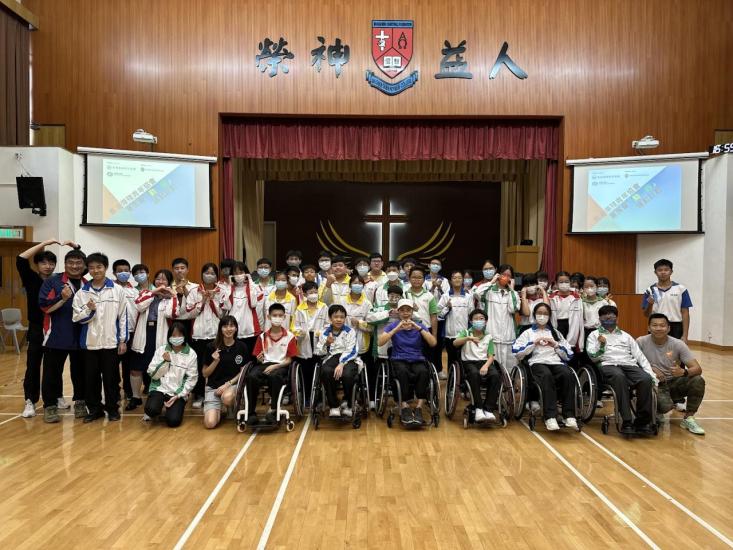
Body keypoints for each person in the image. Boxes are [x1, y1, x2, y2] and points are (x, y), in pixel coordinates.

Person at [16, 238, 74, 418]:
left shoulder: (59, 280)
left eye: (51, 263)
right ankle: (30, 401)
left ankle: (57, 396)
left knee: (54, 366)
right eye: (43, 263)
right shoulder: (31, 278)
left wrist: (74, 246)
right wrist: (44, 244)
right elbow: (20, 259)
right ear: (37, 265)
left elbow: (83, 267)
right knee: (33, 365)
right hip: (36, 328)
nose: (48, 266)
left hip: (55, 328)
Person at [72, 252, 129, 422]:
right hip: (89, 344)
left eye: (99, 267)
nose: (95, 270)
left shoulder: (117, 290)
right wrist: (89, 310)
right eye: (91, 267)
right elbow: (76, 318)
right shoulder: (82, 293)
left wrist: (123, 341)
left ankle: (112, 409)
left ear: (105, 268)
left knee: (111, 379)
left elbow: (123, 317)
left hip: (111, 343)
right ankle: (95, 409)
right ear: (87, 269)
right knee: (91, 379)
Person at [586, 305, 657, 435]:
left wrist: (651, 374)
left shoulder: (626, 336)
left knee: (645, 379)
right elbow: (593, 357)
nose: (609, 318)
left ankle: (642, 422)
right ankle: (627, 420)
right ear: (600, 319)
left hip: (628, 364)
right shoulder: (594, 335)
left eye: (612, 316)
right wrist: (602, 345)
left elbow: (639, 356)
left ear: (617, 319)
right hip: (608, 365)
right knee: (619, 377)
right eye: (605, 316)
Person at [39, 248, 88, 423]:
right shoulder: (53, 282)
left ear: (84, 265)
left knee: (80, 372)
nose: (74, 266)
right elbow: (45, 307)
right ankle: (50, 406)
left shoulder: (87, 284)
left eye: (78, 263)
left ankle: (80, 402)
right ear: (65, 264)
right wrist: (62, 298)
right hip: (57, 335)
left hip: (81, 336)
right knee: (52, 373)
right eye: (71, 263)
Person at [512, 303, 578, 430]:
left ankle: (569, 415)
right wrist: (533, 343)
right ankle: (550, 417)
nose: (542, 316)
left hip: (555, 362)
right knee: (546, 376)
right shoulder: (528, 333)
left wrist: (555, 345)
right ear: (534, 315)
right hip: (537, 362)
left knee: (568, 374)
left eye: (545, 314)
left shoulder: (556, 333)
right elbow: (517, 352)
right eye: (539, 313)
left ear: (549, 316)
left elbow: (569, 355)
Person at [637, 313, 705, 435]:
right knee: (664, 407)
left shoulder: (678, 344)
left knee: (698, 380)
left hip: (673, 382)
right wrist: (651, 369)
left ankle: (688, 418)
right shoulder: (640, 342)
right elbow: (631, 365)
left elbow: (697, 369)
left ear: (668, 328)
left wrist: (684, 372)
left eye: (662, 325)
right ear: (649, 328)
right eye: (655, 325)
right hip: (653, 384)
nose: (658, 328)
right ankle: (656, 410)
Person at [378, 299, 437, 425]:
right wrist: (396, 329)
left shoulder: (419, 325)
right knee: (401, 372)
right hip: (399, 358)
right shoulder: (393, 325)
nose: (405, 313)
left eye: (408, 310)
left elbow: (433, 343)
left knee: (423, 372)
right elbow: (380, 342)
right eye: (402, 310)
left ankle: (419, 407)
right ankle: (404, 406)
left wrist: (419, 328)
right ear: (398, 312)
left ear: (412, 312)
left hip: (417, 358)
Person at [128, 269, 179, 410]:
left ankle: (158, 396)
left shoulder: (170, 297)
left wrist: (173, 296)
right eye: (158, 279)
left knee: (160, 368)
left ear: (169, 282)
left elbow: (173, 313)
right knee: (136, 368)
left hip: (160, 333)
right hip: (143, 333)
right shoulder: (146, 293)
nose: (161, 281)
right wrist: (153, 293)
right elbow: (139, 306)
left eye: (164, 279)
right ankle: (136, 397)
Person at [186, 262, 231, 409]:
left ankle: (217, 393)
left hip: (215, 335)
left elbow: (223, 314)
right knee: (200, 365)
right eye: (206, 273)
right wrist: (203, 300)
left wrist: (212, 300)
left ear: (216, 276)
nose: (209, 276)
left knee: (217, 364)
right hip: (198, 335)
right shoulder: (194, 291)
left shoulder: (221, 291)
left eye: (212, 273)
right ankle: (199, 394)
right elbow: (190, 313)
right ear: (202, 274)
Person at [246, 303, 298, 426]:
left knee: (274, 376)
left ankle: (273, 410)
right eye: (274, 315)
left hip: (281, 365)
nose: (277, 318)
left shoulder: (290, 337)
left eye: (280, 315)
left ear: (284, 317)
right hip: (264, 364)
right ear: (269, 317)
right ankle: (251, 412)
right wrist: (259, 359)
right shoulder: (262, 336)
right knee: (251, 377)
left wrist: (275, 366)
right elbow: (258, 358)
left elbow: (289, 360)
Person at [144, 322, 198, 427]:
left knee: (173, 421)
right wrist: (165, 362)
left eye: (179, 335)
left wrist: (178, 395)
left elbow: (192, 379)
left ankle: (172, 409)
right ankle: (157, 407)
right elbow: (152, 373)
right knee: (151, 409)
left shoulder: (191, 354)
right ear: (169, 337)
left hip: (177, 393)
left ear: (185, 336)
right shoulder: (161, 350)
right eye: (173, 335)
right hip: (160, 389)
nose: (176, 338)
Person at [452, 309, 502, 423]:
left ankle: (488, 409)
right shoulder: (466, 332)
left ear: (486, 321)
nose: (478, 321)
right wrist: (468, 338)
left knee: (495, 375)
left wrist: (486, 366)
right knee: (474, 374)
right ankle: (478, 408)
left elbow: (491, 356)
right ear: (471, 321)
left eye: (481, 319)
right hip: (469, 362)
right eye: (475, 319)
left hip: (484, 362)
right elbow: (455, 343)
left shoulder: (488, 336)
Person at [315, 304, 361, 417]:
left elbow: (352, 350)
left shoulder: (350, 331)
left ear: (345, 318)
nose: (339, 319)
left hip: (349, 358)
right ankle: (334, 406)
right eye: (336, 317)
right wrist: (327, 343)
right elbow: (318, 352)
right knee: (326, 372)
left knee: (347, 375)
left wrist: (341, 363)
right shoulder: (324, 332)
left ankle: (349, 404)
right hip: (332, 357)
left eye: (342, 317)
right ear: (330, 318)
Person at [202, 316, 247, 429]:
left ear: (236, 328)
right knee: (210, 424)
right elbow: (205, 374)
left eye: (231, 326)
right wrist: (215, 361)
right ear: (220, 329)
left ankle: (229, 405)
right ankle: (220, 409)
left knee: (227, 398)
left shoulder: (242, 347)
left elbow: (243, 372)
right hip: (213, 388)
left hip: (232, 386)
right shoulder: (211, 347)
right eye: (225, 326)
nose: (228, 329)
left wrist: (228, 384)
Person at [473, 264, 520, 371]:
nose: (505, 277)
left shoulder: (513, 293)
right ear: (498, 274)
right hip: (492, 335)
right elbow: (477, 293)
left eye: (508, 275)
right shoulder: (489, 291)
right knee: (493, 368)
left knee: (509, 368)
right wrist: (492, 281)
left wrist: (512, 290)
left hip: (508, 336)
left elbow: (513, 308)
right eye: (503, 274)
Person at [366, 285, 403, 406]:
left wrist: (401, 314)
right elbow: (369, 319)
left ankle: (399, 400)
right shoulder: (380, 308)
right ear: (387, 296)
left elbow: (417, 319)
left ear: (401, 297)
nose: (394, 298)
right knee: (375, 374)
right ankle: (373, 399)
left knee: (397, 374)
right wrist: (388, 313)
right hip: (381, 348)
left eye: (397, 296)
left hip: (398, 348)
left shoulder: (404, 309)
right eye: (391, 295)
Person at [292, 281, 329, 403]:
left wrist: (321, 333)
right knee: (306, 372)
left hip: (319, 340)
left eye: (315, 292)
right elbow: (294, 327)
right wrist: (300, 333)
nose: (314, 294)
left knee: (318, 370)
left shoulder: (324, 307)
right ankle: (307, 397)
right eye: (310, 292)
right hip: (304, 341)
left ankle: (318, 398)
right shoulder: (299, 309)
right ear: (304, 294)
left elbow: (328, 325)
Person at [642, 259, 692, 343]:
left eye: (666, 270)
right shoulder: (650, 290)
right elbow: (646, 314)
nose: (663, 272)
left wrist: (685, 335)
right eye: (660, 270)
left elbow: (685, 313)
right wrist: (650, 304)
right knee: (656, 349)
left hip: (676, 327)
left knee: (674, 351)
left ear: (671, 272)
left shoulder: (681, 289)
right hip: (657, 326)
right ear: (655, 272)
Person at [403, 266, 440, 372]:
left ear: (424, 279)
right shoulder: (405, 294)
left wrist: (434, 335)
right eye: (414, 277)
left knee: (426, 358)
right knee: (410, 360)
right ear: (409, 278)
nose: (416, 280)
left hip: (425, 330)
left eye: (419, 277)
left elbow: (433, 316)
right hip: (408, 331)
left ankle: (427, 379)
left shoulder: (429, 296)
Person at [112, 258, 139, 403]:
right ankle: (115, 391)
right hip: (115, 333)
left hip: (132, 332)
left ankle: (128, 390)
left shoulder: (134, 291)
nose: (123, 273)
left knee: (129, 364)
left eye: (126, 271)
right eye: (120, 271)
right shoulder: (111, 289)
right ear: (114, 273)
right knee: (113, 364)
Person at [438, 270, 474, 368]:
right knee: (451, 361)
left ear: (462, 280)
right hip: (450, 335)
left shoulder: (468, 297)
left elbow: (472, 316)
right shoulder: (445, 296)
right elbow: (439, 315)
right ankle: (451, 377)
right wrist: (447, 308)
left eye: (459, 278)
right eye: (454, 278)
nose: (457, 280)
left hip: (464, 335)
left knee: (464, 360)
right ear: (451, 280)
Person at [227, 261, 262, 351]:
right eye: (235, 273)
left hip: (250, 330)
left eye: (241, 272)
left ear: (246, 273)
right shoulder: (229, 289)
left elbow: (253, 304)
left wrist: (250, 282)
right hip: (233, 331)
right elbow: (227, 307)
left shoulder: (255, 287)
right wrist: (229, 287)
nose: (238, 275)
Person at [549, 271, 584, 352]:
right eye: (561, 282)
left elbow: (580, 319)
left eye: (566, 282)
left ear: (570, 283)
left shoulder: (577, 298)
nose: (564, 284)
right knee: (558, 348)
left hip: (571, 325)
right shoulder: (551, 298)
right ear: (556, 283)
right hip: (557, 325)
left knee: (570, 348)